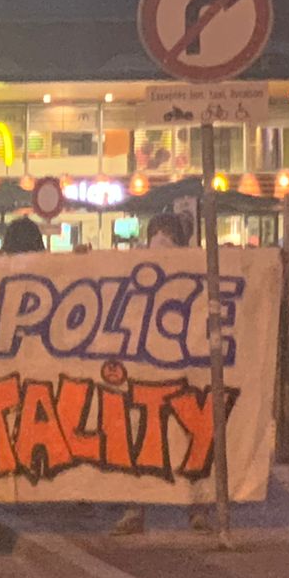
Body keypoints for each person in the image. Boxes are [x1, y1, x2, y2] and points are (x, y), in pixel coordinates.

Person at [114, 211, 208, 537]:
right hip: (148, 370)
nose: (161, 240)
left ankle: (193, 508)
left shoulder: (196, 267)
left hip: (182, 370)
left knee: (188, 439)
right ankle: (140, 509)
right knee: (145, 440)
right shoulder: (136, 267)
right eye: (158, 233)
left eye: (167, 234)